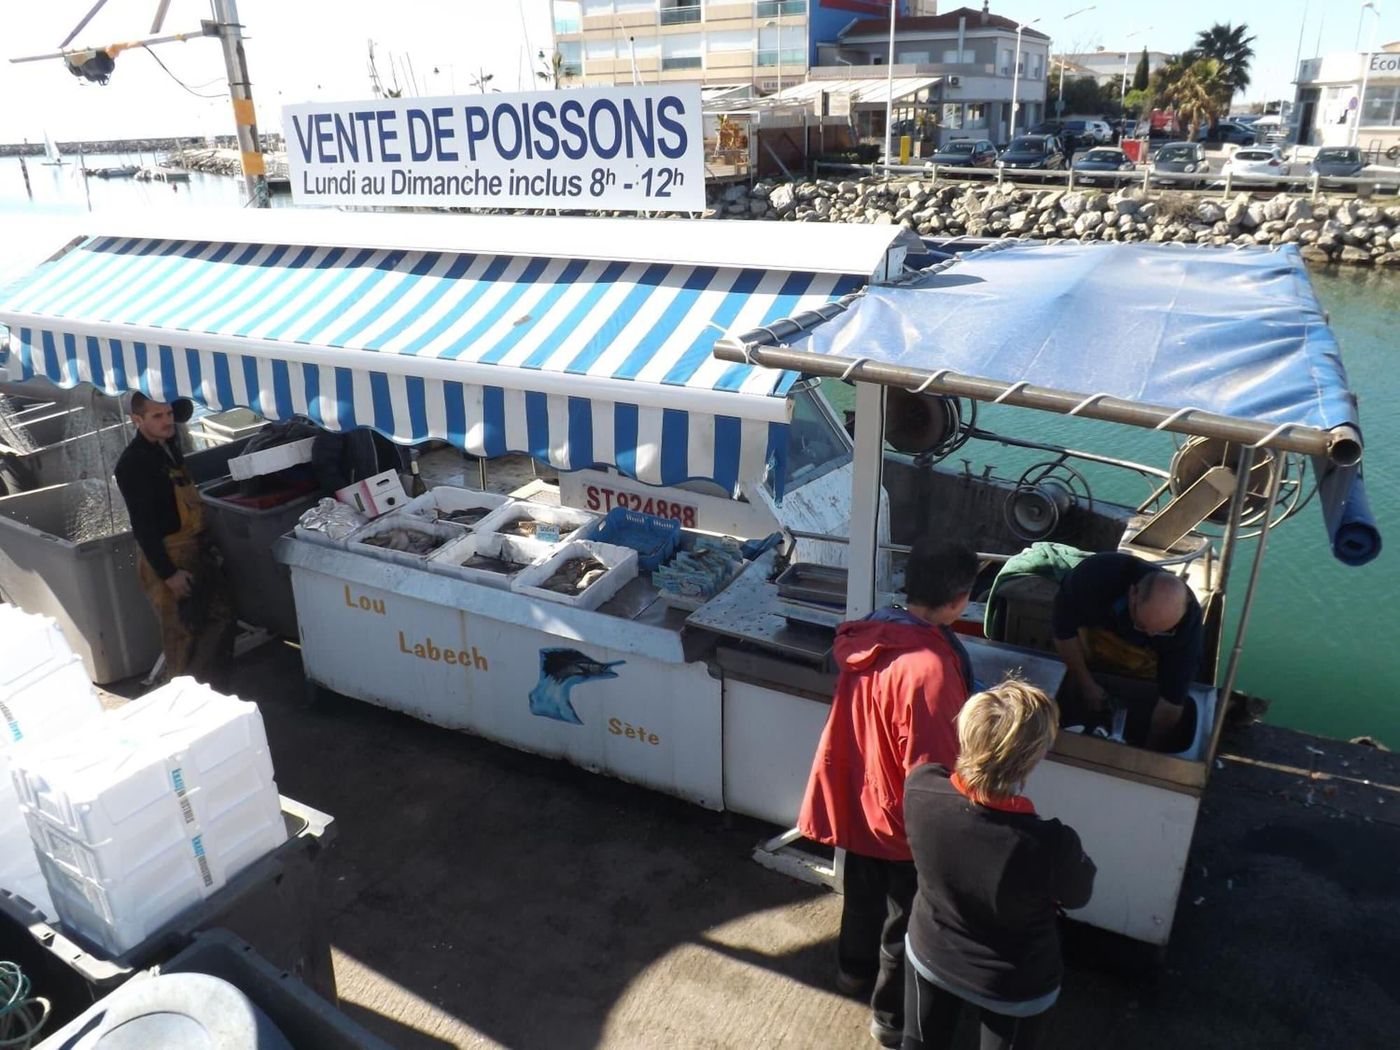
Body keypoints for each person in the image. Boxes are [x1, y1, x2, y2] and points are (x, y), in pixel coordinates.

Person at [798, 539, 980, 1048]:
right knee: (906, 925)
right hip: (902, 821)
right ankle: (889, 1017)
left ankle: (849, 972)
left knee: (860, 899)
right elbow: (934, 766)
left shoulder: (871, 630)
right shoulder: (931, 670)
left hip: (858, 800)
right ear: (959, 600)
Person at [902, 680, 1096, 1050]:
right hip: (1013, 984)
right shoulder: (1052, 844)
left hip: (931, 949)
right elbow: (1078, 895)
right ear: (1032, 759)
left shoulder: (921, 787)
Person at [114, 392, 234, 686]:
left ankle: (212, 691)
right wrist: (169, 573)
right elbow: (142, 527)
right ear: (137, 420)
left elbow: (184, 407)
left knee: (221, 618)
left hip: (195, 549)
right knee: (183, 634)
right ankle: (185, 699)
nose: (168, 421)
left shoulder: (168, 445)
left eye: (169, 414)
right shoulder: (132, 464)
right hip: (169, 556)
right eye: (158, 416)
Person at [1050, 552, 1204, 751]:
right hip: (1094, 641)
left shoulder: (1188, 626)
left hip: (1146, 666)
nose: (1151, 634)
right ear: (1133, 594)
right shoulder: (1093, 577)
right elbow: (1063, 634)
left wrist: (1147, 753)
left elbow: (1172, 700)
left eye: (1162, 631)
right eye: (1143, 625)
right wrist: (1086, 684)